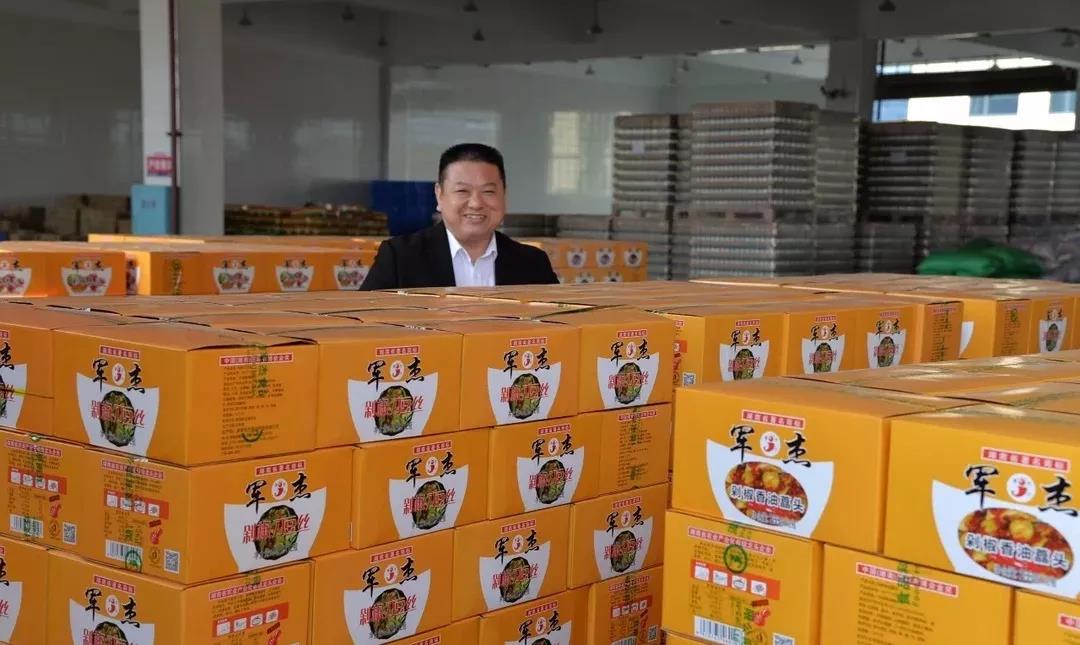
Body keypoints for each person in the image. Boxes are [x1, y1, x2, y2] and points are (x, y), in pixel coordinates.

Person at [360, 143, 559, 290]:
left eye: (488, 192)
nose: (476, 203)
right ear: (439, 195)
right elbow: (366, 323)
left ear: (504, 195)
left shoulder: (533, 262)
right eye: (462, 191)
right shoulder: (399, 257)